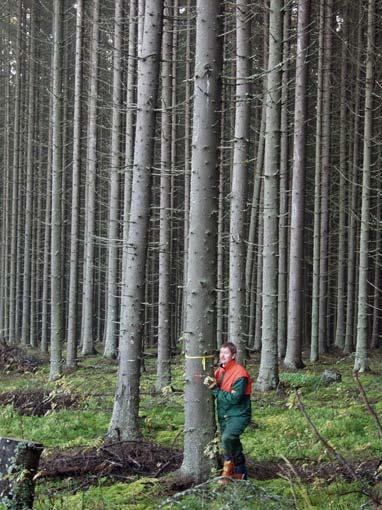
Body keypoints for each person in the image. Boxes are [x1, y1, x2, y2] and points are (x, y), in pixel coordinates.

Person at [204, 341, 252, 482]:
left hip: (239, 414)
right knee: (231, 442)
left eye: (226, 353)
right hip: (224, 414)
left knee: (228, 438)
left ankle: (229, 468)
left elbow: (233, 399)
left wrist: (215, 389)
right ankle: (240, 473)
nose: (222, 355)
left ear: (233, 355)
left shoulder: (240, 373)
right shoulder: (220, 371)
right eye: (221, 352)